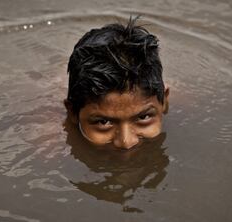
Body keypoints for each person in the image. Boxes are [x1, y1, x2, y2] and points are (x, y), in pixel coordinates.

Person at [65, 17, 169, 150]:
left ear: (165, 101)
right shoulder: (48, 143)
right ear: (72, 112)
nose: (126, 142)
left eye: (143, 117)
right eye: (103, 122)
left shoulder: (185, 102)